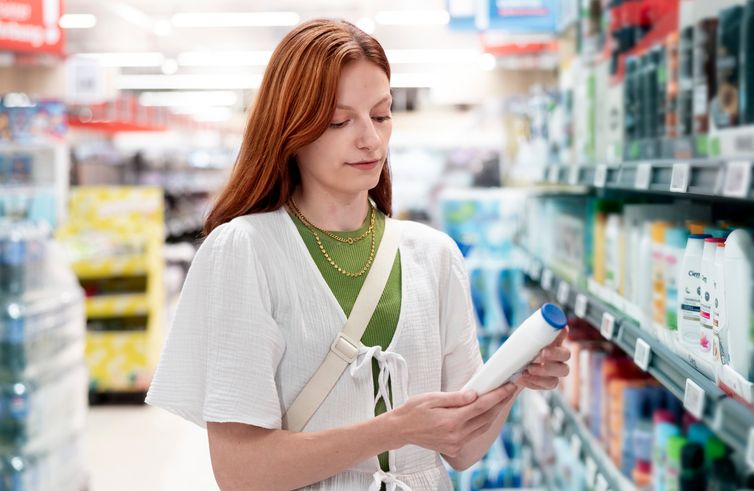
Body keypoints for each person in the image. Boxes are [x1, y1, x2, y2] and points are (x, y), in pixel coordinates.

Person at [145, 19, 571, 491]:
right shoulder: (244, 252)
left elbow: (464, 450)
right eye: (339, 121)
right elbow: (241, 473)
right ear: (291, 127)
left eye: (382, 114)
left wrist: (514, 377)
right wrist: (394, 430)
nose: (370, 138)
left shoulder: (434, 255)